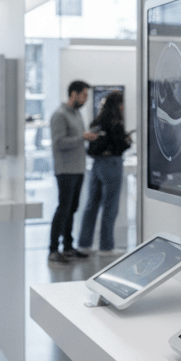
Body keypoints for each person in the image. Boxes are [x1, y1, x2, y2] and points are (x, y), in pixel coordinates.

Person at [48, 80, 97, 264]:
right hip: (65, 170)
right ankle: (53, 249)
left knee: (72, 209)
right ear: (73, 94)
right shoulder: (59, 115)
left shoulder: (77, 114)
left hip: (78, 168)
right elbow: (59, 143)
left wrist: (86, 137)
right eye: (83, 95)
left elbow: (76, 139)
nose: (85, 99)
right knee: (63, 209)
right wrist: (81, 137)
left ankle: (68, 247)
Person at [77, 91, 132, 255]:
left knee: (91, 205)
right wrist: (127, 141)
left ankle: (84, 244)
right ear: (119, 104)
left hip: (96, 165)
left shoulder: (98, 120)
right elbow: (119, 145)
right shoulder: (116, 122)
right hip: (112, 165)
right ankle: (106, 247)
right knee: (110, 206)